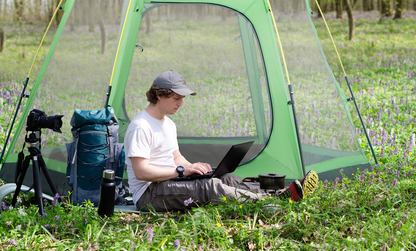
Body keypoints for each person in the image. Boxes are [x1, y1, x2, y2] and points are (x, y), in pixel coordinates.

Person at [124, 70, 318, 212]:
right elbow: (142, 172)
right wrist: (182, 171)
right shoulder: (141, 126)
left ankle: (279, 194)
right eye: (176, 98)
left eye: (182, 99)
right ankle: (272, 205)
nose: (181, 104)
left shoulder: (168, 124)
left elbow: (176, 157)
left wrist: (193, 168)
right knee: (209, 187)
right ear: (159, 95)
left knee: (223, 178)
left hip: (171, 181)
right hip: (149, 194)